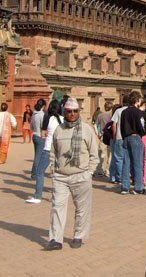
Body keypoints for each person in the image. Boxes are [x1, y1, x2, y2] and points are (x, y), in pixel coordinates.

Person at [46, 97, 99, 250]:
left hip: (81, 174)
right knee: (57, 207)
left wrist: (89, 172)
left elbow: (94, 154)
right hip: (61, 176)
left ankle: (78, 236)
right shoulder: (59, 130)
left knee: (82, 208)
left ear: (79, 112)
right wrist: (53, 171)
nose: (72, 114)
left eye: (75, 111)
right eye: (69, 111)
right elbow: (53, 152)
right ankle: (56, 239)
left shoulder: (87, 130)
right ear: (64, 112)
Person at [27, 99, 62, 204]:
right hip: (60, 149)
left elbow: (43, 134)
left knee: (39, 172)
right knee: (56, 174)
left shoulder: (48, 117)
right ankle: (55, 196)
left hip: (48, 148)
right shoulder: (63, 119)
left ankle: (38, 196)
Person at [119, 91, 146, 195]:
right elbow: (142, 126)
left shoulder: (124, 112)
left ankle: (124, 187)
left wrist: (124, 137)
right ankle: (138, 187)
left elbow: (121, 126)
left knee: (126, 163)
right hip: (136, 136)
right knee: (138, 163)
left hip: (126, 137)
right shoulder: (138, 112)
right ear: (137, 100)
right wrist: (142, 132)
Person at [94, 101, 113, 177]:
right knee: (110, 154)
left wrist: (98, 133)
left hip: (102, 135)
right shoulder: (112, 115)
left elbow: (95, 125)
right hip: (110, 136)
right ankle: (107, 170)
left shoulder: (100, 115)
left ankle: (99, 170)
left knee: (101, 153)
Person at [30, 99, 47, 179]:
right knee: (38, 157)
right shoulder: (42, 115)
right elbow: (43, 127)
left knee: (37, 155)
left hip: (34, 135)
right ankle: (34, 174)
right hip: (40, 136)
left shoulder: (34, 114)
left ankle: (34, 172)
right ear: (43, 106)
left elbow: (31, 127)